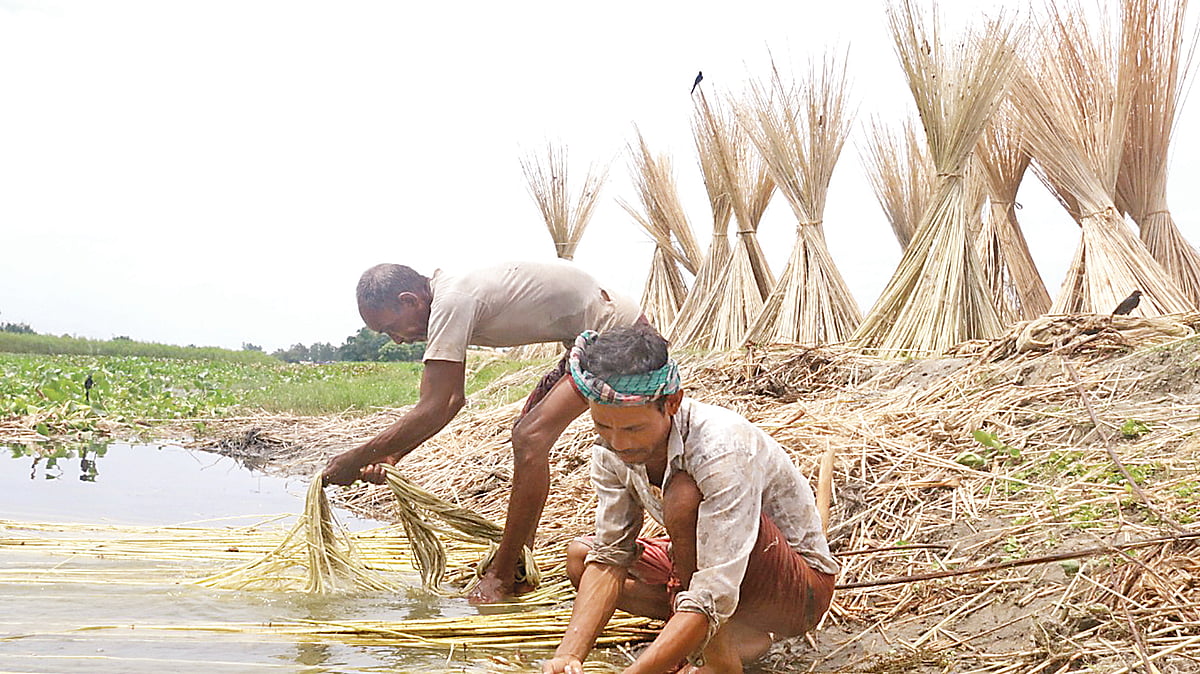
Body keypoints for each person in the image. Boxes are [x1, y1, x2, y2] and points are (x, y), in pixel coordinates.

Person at [322, 260, 646, 604]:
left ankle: (503, 576)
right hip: (589, 341)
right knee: (526, 432)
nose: (398, 340)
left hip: (621, 339)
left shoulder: (451, 300)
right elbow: (447, 403)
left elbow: (439, 403)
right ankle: (521, 563)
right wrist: (392, 455)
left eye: (392, 328)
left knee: (529, 439)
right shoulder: (448, 295)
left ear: (410, 300)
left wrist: (353, 458)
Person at [543, 326, 838, 674]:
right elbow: (611, 555)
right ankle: (738, 637)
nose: (618, 443)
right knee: (583, 559)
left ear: (671, 402)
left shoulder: (721, 448)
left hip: (795, 593)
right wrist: (568, 656)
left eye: (633, 429)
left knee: (683, 498)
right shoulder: (610, 449)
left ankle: (721, 660)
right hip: (713, 572)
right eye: (603, 427)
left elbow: (713, 589)